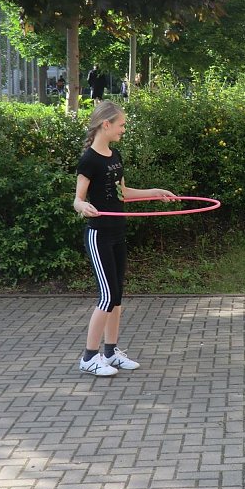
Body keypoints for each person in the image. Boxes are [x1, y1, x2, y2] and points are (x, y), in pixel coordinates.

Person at [73, 101, 176, 376]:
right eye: (121, 125)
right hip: (99, 235)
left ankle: (110, 352)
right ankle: (89, 357)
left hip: (118, 232)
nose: (124, 129)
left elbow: (122, 194)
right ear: (105, 124)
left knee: (117, 297)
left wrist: (154, 192)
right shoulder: (89, 160)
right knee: (106, 297)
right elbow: (78, 199)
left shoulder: (115, 155)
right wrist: (82, 207)